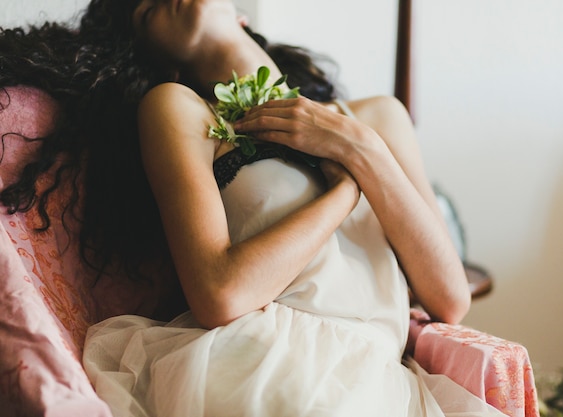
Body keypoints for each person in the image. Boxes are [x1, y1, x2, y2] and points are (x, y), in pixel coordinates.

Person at [1, 0, 504, 415]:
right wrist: (345, 190)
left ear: (241, 14)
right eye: (145, 8)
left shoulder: (377, 119)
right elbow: (219, 295)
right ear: (157, 56)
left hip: (381, 377)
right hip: (265, 365)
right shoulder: (177, 108)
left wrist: (361, 151)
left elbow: (448, 298)